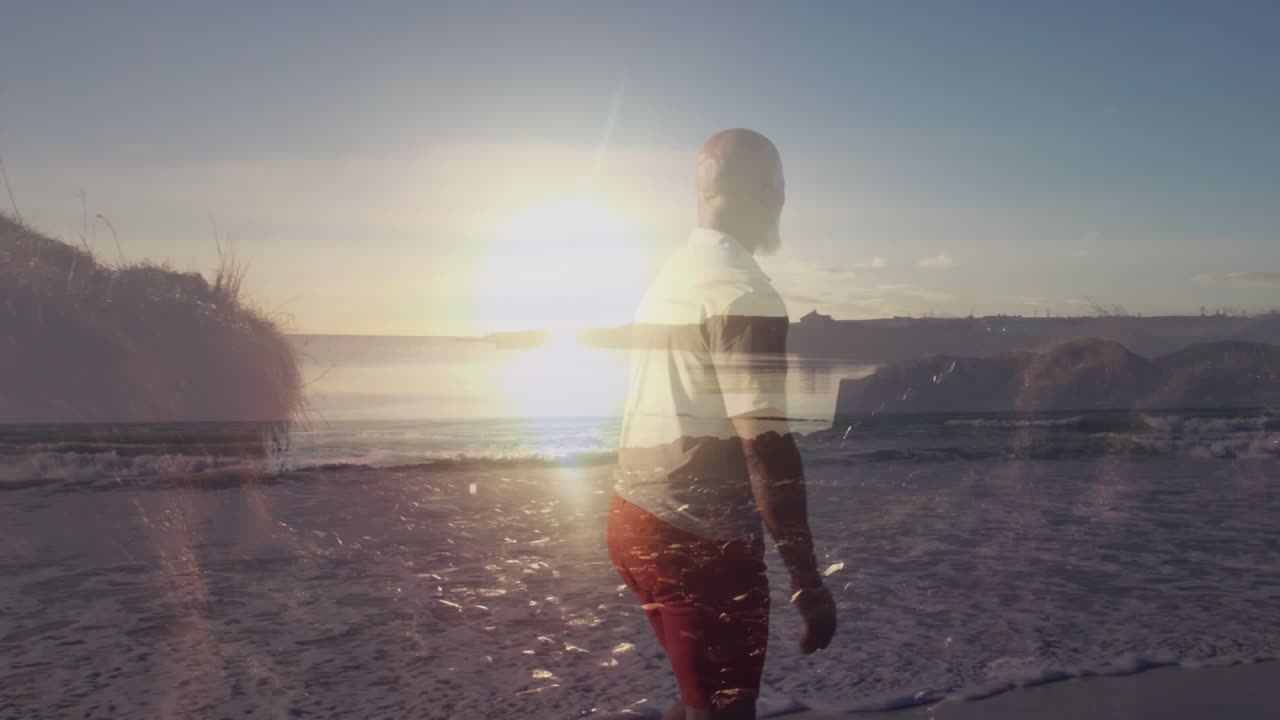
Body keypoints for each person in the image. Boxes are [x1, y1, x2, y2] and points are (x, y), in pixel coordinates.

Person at [608, 128, 837, 720]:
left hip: (631, 522)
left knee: (697, 702)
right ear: (769, 192)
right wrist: (807, 579)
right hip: (697, 541)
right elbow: (766, 448)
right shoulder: (743, 292)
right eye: (779, 188)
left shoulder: (671, 280)